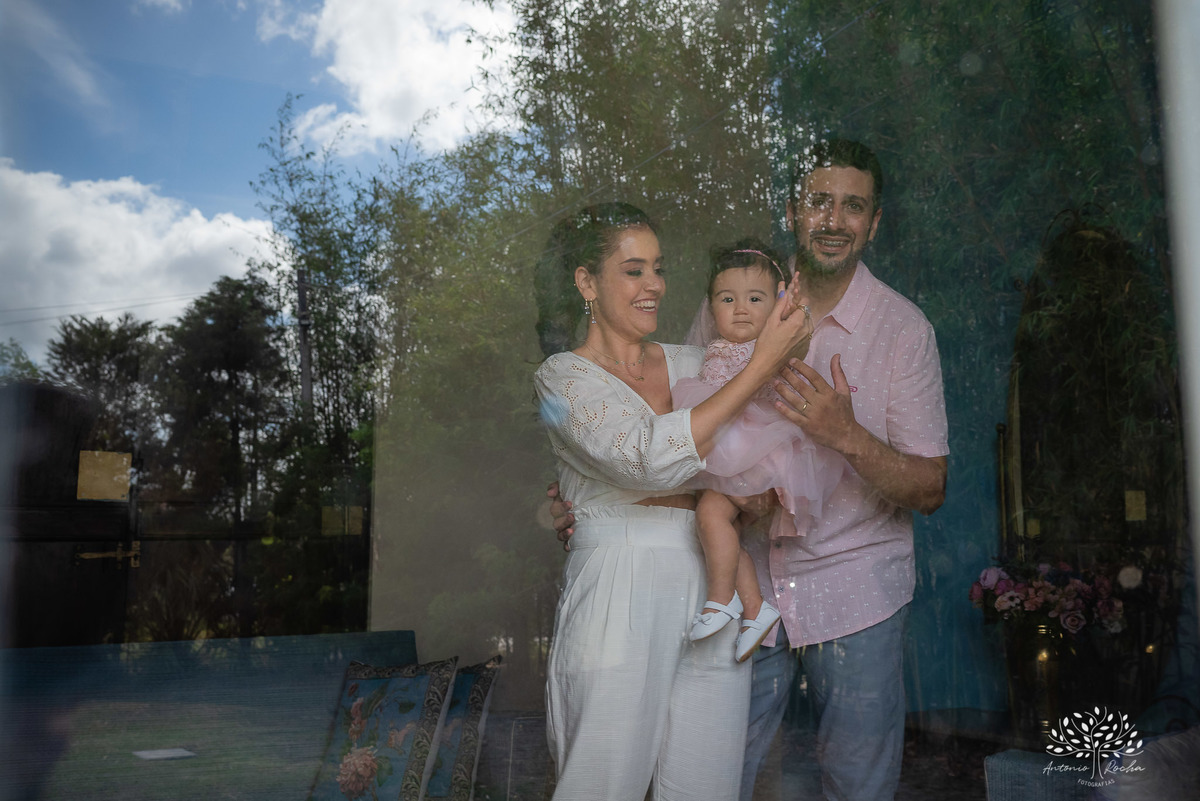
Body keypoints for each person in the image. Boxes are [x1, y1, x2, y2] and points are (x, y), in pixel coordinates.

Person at [550, 140, 949, 801]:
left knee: (857, 787)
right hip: (742, 583)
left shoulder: (904, 332)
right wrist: (592, 496)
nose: (833, 219)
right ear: (794, 211)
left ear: (874, 223)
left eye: (853, 206)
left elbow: (930, 487)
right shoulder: (733, 297)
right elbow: (671, 432)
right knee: (709, 776)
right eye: (819, 200)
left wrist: (844, 434)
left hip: (856, 591)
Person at [533, 202, 813, 801]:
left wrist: (753, 489)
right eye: (633, 270)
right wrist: (759, 368)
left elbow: (757, 470)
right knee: (601, 782)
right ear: (587, 281)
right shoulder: (563, 377)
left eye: (657, 268)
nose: (655, 284)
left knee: (707, 785)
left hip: (714, 583)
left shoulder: (698, 363)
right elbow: (640, 456)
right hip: (618, 580)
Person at [672, 239, 846, 663]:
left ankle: (720, 600)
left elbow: (795, 355)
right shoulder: (707, 350)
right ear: (711, 307)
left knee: (712, 516)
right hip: (728, 444)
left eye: (755, 299)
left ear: (775, 306)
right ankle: (754, 607)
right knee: (716, 524)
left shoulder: (773, 348)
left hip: (761, 448)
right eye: (727, 299)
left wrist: (793, 312)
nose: (741, 308)